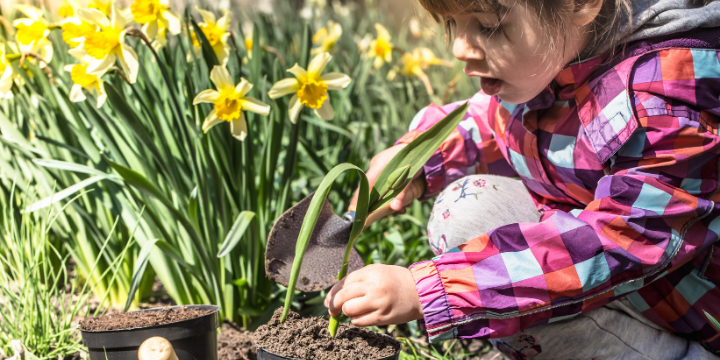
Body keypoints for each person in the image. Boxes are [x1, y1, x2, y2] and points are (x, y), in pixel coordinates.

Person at [323, 0, 720, 358]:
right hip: (622, 292)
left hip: (682, 310)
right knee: (465, 209)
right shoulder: (560, 52)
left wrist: (432, 290)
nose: (460, 48)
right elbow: (494, 120)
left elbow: (622, 242)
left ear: (580, 4)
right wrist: (417, 161)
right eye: (452, 26)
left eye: (489, 27)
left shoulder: (664, 100)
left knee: (475, 228)